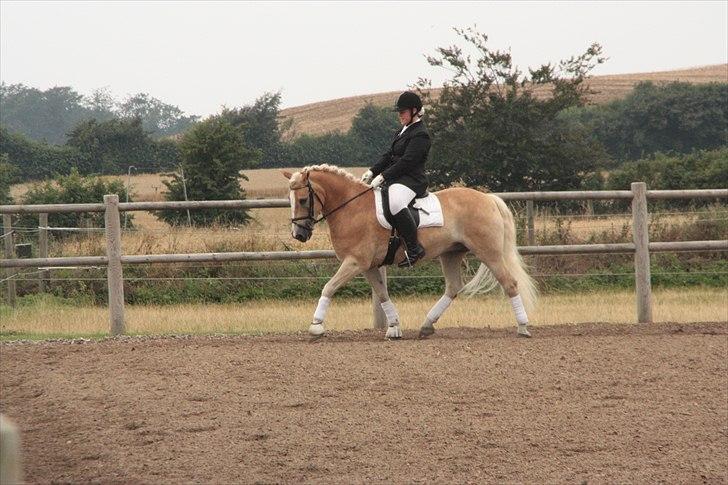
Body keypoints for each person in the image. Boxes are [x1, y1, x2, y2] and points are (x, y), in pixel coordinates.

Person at [361, 91, 431, 267]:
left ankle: (415, 249)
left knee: (396, 202)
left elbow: (408, 162)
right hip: (398, 179)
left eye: (403, 111)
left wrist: (384, 176)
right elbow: (389, 156)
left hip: (413, 180)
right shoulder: (402, 131)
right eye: (399, 112)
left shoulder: (421, 134)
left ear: (414, 111)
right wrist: (372, 171)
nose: (400, 115)